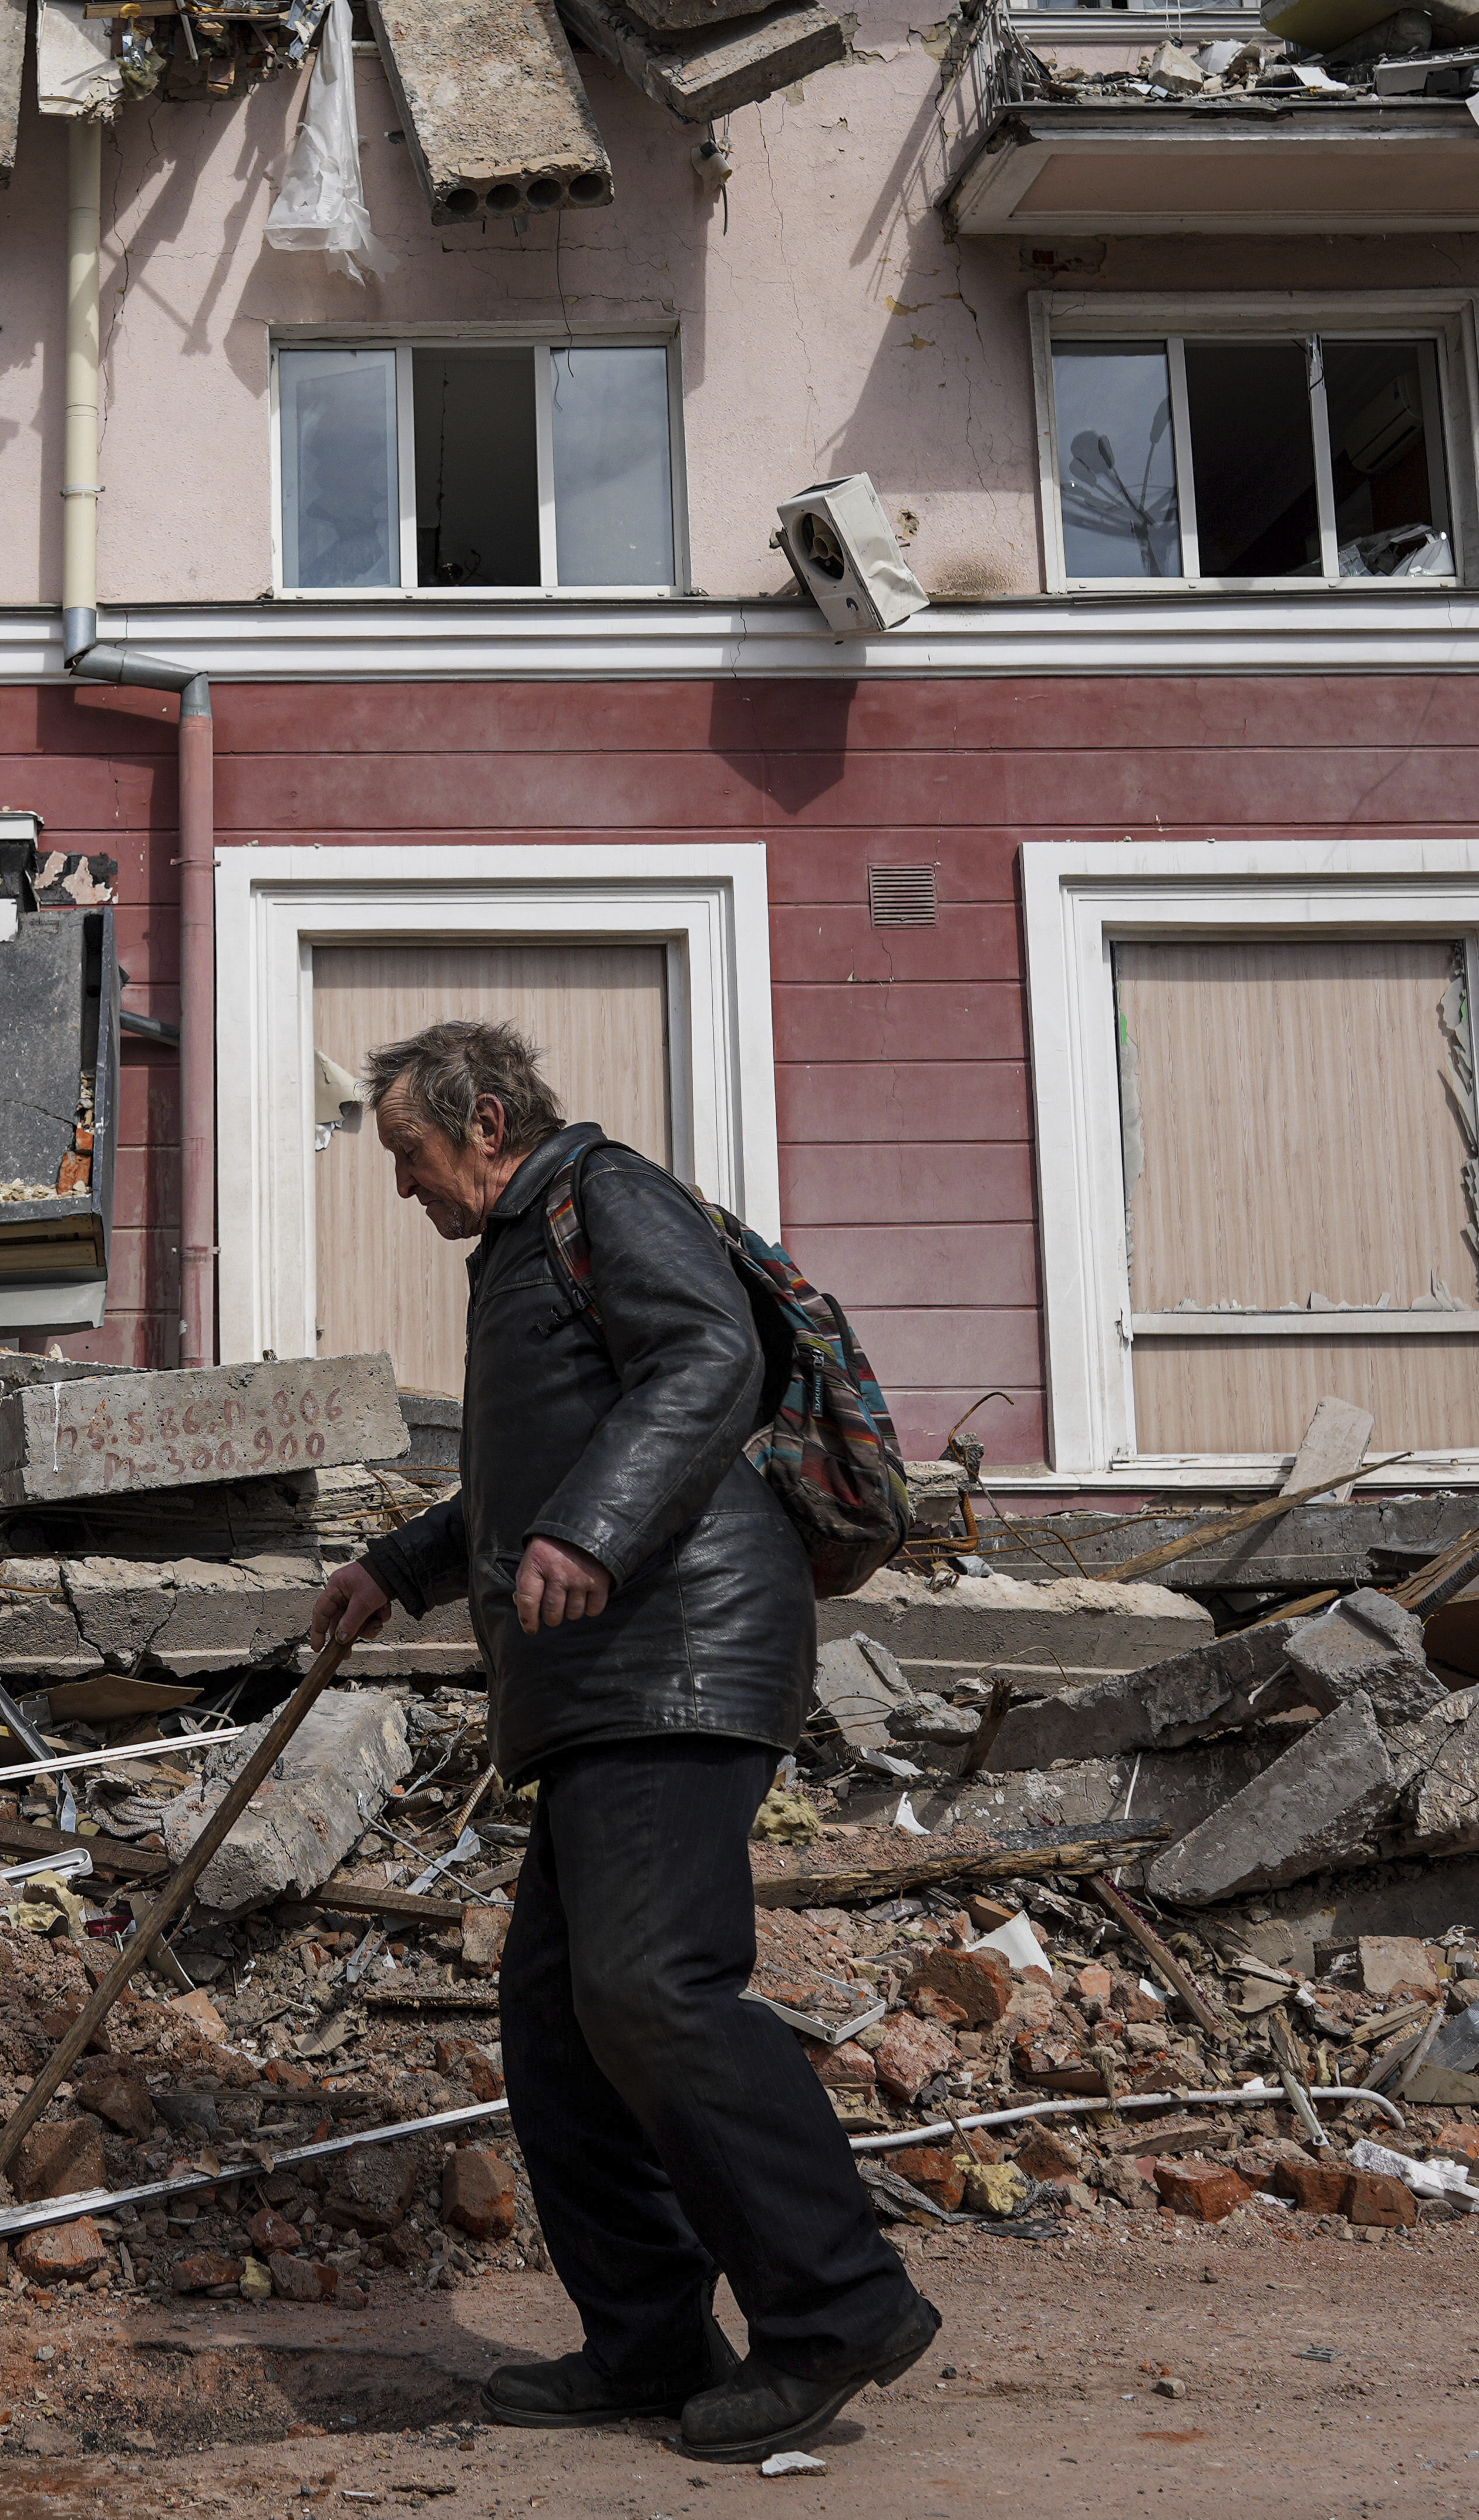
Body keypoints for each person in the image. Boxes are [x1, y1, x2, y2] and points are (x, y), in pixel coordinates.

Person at [312, 1018, 941, 2465]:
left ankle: (837, 2304)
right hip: (602, 1671)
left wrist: (592, 1531)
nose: (402, 1187)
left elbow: (707, 1360)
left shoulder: (606, 1195)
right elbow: (529, 1469)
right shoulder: (523, 1249)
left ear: (481, 1121)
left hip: (679, 1652)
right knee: (556, 2018)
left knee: (652, 1985)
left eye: (406, 1153)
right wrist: (400, 1567)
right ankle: (649, 2334)